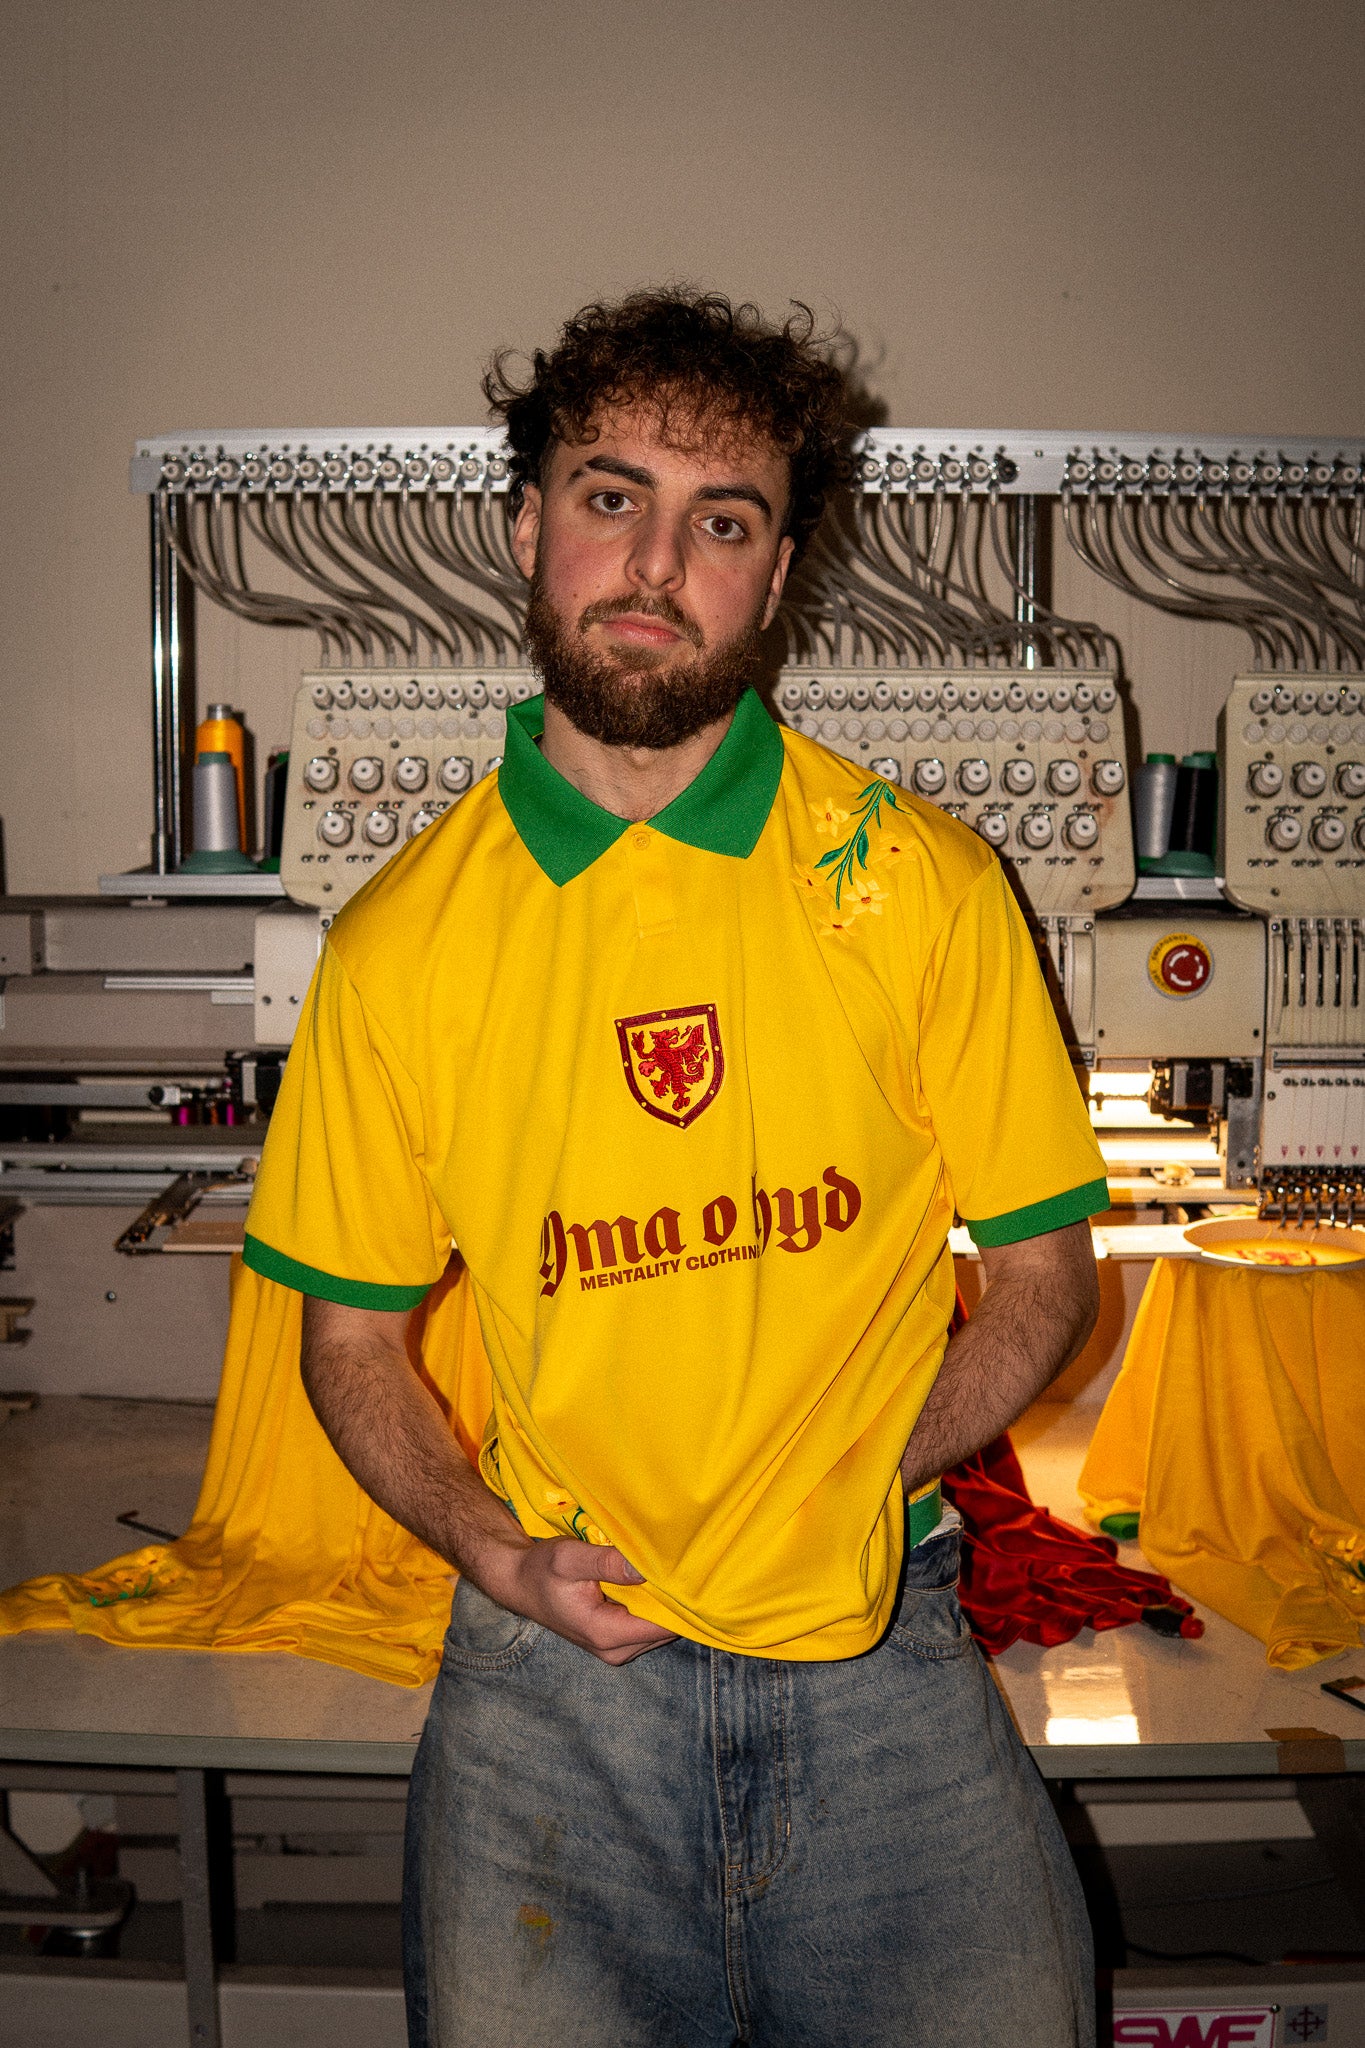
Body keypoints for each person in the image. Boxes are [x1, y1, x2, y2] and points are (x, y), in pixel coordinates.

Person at [243, 287, 1108, 2046]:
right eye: (609, 497)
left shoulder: (922, 886)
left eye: (721, 523)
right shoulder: (396, 946)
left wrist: (863, 1473)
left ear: (773, 578)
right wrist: (494, 1553)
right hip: (548, 1690)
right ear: (526, 527)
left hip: (884, 1661)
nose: (654, 563)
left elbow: (1043, 1280)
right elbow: (347, 1339)